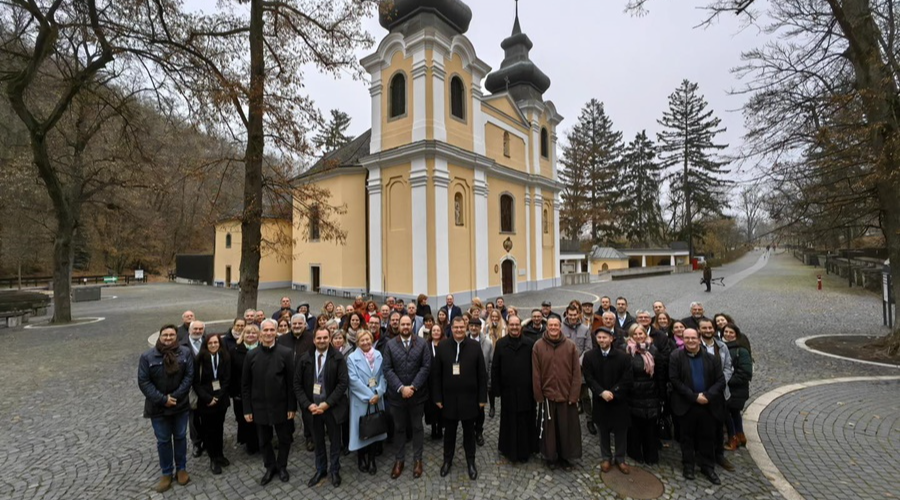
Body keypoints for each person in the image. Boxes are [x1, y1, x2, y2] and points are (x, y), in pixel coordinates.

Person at [139, 325, 194, 492]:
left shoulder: (185, 353)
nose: (168, 338)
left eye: (171, 335)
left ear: (176, 336)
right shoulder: (147, 356)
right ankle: (166, 472)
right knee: (163, 440)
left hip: (180, 404)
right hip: (158, 407)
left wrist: (175, 397)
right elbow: (144, 381)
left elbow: (189, 376)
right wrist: (163, 399)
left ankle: (182, 468)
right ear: (160, 336)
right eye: (165, 335)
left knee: (180, 437)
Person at [431, 316, 488, 480]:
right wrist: (437, 397)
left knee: (469, 434)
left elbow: (482, 375)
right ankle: (447, 461)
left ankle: (471, 462)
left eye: (461, 327)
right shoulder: (442, 346)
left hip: (469, 399)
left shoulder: (475, 346)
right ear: (451, 328)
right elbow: (436, 375)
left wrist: (482, 398)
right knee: (449, 433)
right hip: (448, 400)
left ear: (466, 327)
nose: (458, 330)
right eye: (455, 327)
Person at [242, 319, 297, 486]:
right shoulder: (251, 355)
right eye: (265, 330)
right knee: (264, 440)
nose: (268, 333)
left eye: (271, 330)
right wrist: (247, 409)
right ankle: (270, 466)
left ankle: (282, 466)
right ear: (260, 333)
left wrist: (291, 406)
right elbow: (245, 385)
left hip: (281, 405)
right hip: (259, 406)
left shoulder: (286, 353)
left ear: (275, 332)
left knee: (284, 438)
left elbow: (291, 383)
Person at [669, 328, 726, 485]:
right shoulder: (676, 357)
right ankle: (688, 465)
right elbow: (674, 380)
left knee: (707, 437)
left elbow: (720, 381)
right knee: (686, 438)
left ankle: (707, 466)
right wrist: (694, 397)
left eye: (693, 338)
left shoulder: (711, 359)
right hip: (687, 404)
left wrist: (707, 396)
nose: (690, 341)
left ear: (699, 338)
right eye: (687, 338)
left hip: (707, 404)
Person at [295, 327, 349, 488]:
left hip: (331, 408)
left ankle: (334, 469)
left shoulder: (338, 358)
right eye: (319, 338)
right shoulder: (304, 359)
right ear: (314, 340)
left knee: (334, 441)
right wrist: (308, 404)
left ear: (329, 339)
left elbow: (342, 383)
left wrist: (327, 404)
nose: (322, 341)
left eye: (325, 338)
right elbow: (297, 385)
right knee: (318, 441)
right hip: (312, 409)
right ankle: (321, 469)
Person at [383, 315, 432, 479]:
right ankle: (399, 460)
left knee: (418, 428)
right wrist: (401, 388)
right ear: (397, 325)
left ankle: (418, 460)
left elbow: (426, 367)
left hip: (417, 396)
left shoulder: (422, 344)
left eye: (407, 324)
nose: (405, 326)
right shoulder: (390, 345)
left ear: (412, 325)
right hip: (397, 397)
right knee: (399, 429)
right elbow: (387, 369)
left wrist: (413, 387)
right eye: (402, 324)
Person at [532, 317, 582, 469]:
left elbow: (576, 372)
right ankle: (550, 457)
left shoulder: (570, 346)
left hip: (566, 396)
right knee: (549, 431)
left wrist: (574, 395)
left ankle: (565, 457)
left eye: (556, 325)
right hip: (548, 397)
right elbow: (536, 372)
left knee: (566, 430)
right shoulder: (538, 346)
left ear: (560, 327)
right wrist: (539, 395)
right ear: (546, 327)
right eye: (550, 325)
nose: (553, 327)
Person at [583, 327, 633, 474]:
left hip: (619, 400)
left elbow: (627, 379)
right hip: (600, 399)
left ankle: (620, 458)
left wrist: (613, 392)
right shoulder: (590, 356)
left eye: (605, 337)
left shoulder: (623, 357)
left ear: (611, 339)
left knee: (620, 431)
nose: (602, 340)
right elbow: (589, 377)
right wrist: (601, 392)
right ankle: (606, 457)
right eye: (599, 338)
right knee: (603, 429)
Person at [491, 315, 537, 463]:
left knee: (525, 421)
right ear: (508, 326)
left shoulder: (530, 344)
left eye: (517, 325)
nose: (515, 327)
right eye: (512, 325)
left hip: (526, 391)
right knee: (508, 420)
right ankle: (508, 449)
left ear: (520, 327)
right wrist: (496, 389)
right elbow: (495, 367)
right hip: (508, 391)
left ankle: (526, 450)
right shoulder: (501, 344)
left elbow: (535, 368)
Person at [347, 330, 388, 475]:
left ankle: (372, 459)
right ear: (358, 342)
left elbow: (384, 375)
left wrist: (378, 393)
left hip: (377, 397)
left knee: (374, 429)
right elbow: (353, 381)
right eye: (362, 340)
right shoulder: (352, 358)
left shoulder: (378, 355)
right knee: (361, 430)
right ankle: (361, 458)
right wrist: (370, 395)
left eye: (367, 339)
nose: (365, 342)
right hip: (361, 400)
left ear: (371, 340)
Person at [698, 318, 734, 473]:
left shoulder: (722, 346)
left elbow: (728, 368)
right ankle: (703, 457)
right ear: (699, 330)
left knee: (719, 426)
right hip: (701, 393)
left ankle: (719, 454)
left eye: (709, 328)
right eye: (704, 328)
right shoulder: (695, 345)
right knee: (702, 427)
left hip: (719, 394)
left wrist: (719, 385)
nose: (707, 330)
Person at [193, 333, 231, 474]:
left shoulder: (225, 357)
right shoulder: (199, 360)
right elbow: (196, 383)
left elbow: (227, 379)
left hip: (221, 400)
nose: (213, 345)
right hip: (206, 401)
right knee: (209, 430)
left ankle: (220, 454)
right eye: (210, 343)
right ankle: (213, 458)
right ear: (206, 345)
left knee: (219, 427)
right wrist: (208, 398)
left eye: (216, 342)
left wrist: (218, 396)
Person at [277, 313, 316, 452]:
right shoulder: (282, 339)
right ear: (290, 325)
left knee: (307, 410)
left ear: (305, 324)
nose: (297, 326)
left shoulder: (312, 339)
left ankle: (310, 436)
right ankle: (286, 435)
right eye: (294, 324)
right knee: (286, 408)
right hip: (287, 380)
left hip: (306, 380)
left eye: (300, 324)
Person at [624, 324, 660, 466]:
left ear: (645, 335)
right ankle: (635, 452)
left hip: (651, 394)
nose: (639, 337)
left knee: (650, 427)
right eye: (635, 334)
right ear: (631, 336)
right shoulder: (627, 351)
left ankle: (651, 454)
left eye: (641, 334)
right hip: (634, 394)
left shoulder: (654, 350)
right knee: (635, 427)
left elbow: (660, 373)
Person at [560, 305, 593, 434]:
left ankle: (590, 420)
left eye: (575, 314)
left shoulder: (585, 329)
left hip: (581, 369)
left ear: (579, 314)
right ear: (567, 314)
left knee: (585, 396)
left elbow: (588, 349)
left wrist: (578, 363)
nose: (573, 317)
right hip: (565, 369)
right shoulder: (561, 328)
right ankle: (567, 421)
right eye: (570, 315)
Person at [722, 323, 752, 451]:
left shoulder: (742, 351)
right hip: (730, 388)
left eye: (731, 332)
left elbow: (745, 372)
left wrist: (727, 381)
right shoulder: (723, 347)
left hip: (736, 389)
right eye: (726, 332)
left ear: (736, 334)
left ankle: (733, 438)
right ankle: (740, 436)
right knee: (734, 413)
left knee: (728, 413)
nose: (728, 334)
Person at [230, 324, 259, 455]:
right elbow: (231, 372)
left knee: (259, 418)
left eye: (253, 333)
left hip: (259, 391)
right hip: (240, 392)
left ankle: (260, 441)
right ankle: (248, 443)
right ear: (243, 335)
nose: (250, 335)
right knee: (244, 418)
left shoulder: (262, 348)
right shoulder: (235, 350)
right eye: (247, 333)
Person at [466, 317, 493, 447]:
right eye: (471, 326)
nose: (473, 328)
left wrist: (489, 382)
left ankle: (478, 431)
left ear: (480, 327)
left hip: (481, 381)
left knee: (480, 409)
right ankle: (469, 432)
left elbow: (491, 362)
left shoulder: (487, 343)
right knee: (467, 408)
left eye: (476, 326)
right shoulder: (463, 340)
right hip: (466, 382)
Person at [181, 320, 205, 459]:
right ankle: (197, 442)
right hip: (191, 386)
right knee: (194, 416)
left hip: (206, 385)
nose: (197, 331)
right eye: (195, 329)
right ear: (189, 330)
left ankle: (207, 440)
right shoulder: (182, 346)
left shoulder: (208, 342)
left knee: (207, 415)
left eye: (200, 329)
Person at [424, 324, 444, 440]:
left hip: (442, 380)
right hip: (430, 380)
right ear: (431, 332)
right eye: (434, 330)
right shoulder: (426, 346)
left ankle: (441, 427)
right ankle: (433, 428)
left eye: (438, 330)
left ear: (441, 332)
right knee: (431, 406)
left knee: (441, 405)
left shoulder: (445, 345)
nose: (436, 332)